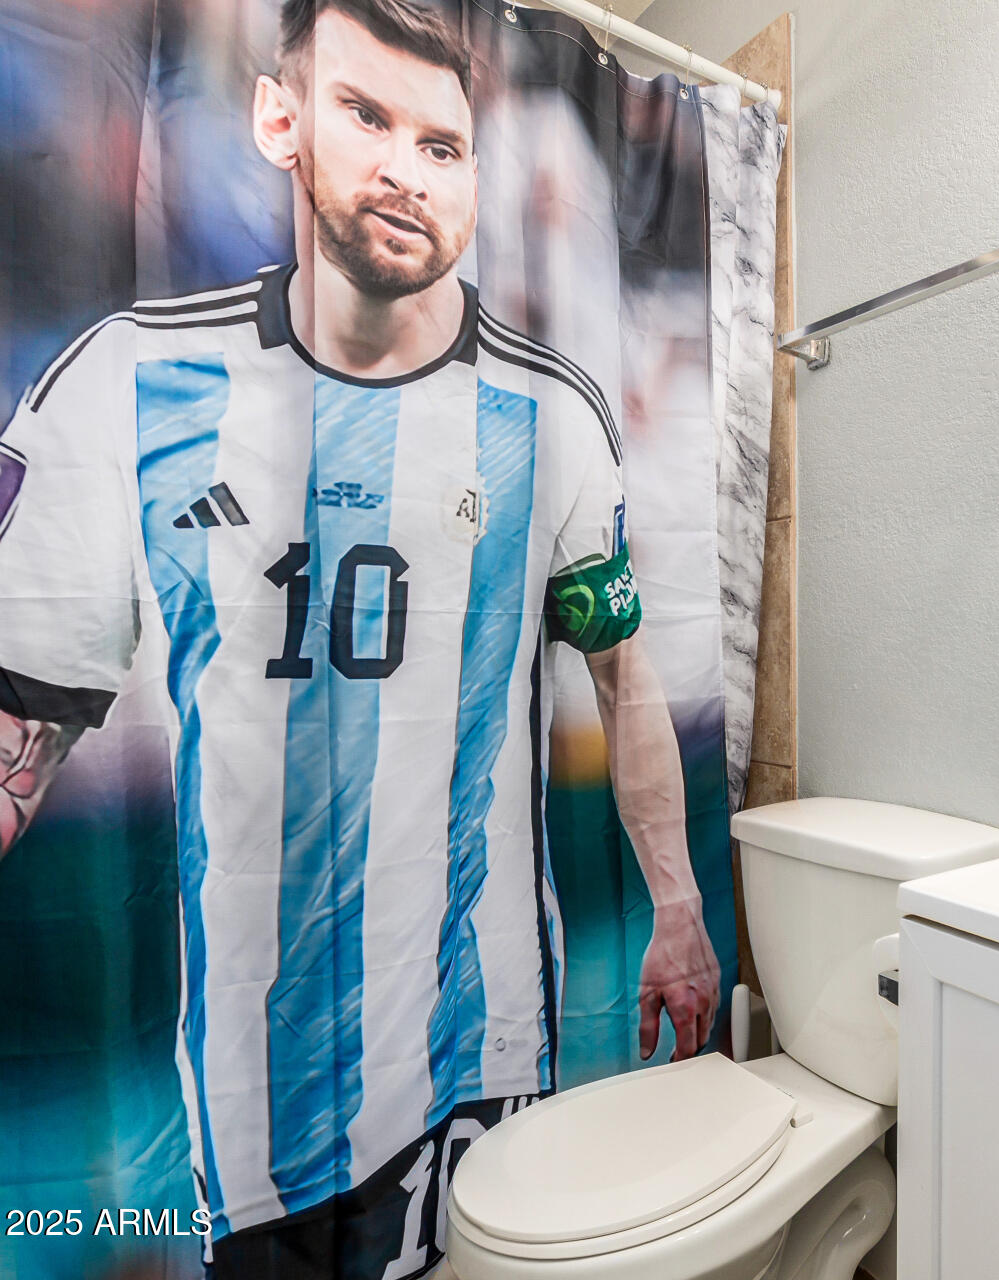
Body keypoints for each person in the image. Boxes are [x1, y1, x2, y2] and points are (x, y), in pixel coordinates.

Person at [0, 1, 719, 1275]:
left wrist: (678, 909)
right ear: (279, 121)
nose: (406, 170)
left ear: (477, 176)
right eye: (366, 117)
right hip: (246, 1104)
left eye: (440, 145)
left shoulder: (549, 414)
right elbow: (24, 714)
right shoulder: (132, 381)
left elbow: (624, 675)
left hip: (482, 1049)